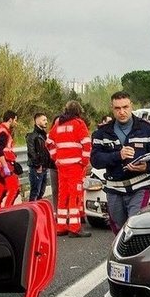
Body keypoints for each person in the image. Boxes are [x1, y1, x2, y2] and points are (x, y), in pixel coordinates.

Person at [90, 91, 150, 233]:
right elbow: (95, 160)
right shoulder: (102, 132)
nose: (122, 112)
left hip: (140, 186)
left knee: (135, 226)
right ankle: (121, 254)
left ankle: (137, 254)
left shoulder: (146, 128)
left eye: (125, 107)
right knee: (119, 229)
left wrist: (146, 166)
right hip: (114, 188)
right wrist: (118, 155)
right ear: (112, 108)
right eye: (117, 108)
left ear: (131, 106)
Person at [47, 101, 92, 237]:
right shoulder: (79, 124)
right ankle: (74, 228)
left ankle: (61, 226)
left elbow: (49, 141)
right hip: (75, 166)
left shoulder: (58, 124)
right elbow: (86, 143)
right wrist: (84, 161)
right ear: (78, 111)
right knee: (75, 196)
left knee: (63, 195)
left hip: (62, 166)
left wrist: (56, 158)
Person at [0, 110, 21, 209]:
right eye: (15, 120)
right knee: (14, 189)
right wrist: (5, 166)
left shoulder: (0, 130)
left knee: (1, 189)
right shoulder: (3, 132)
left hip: (0, 165)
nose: (16, 123)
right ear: (10, 120)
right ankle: (8, 210)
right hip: (5, 164)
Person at [25, 112, 52, 201]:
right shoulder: (32, 136)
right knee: (35, 192)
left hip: (44, 168)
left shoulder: (44, 135)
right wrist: (38, 165)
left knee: (41, 192)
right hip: (36, 168)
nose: (46, 122)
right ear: (37, 121)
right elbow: (31, 152)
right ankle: (32, 212)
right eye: (44, 120)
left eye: (46, 120)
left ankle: (37, 212)